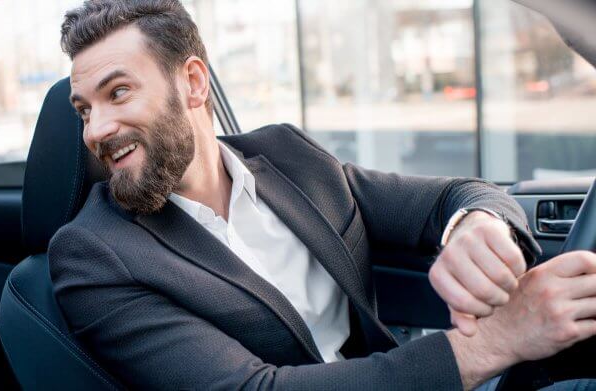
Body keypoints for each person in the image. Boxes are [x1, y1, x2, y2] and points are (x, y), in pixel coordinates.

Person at [48, 1, 596, 389]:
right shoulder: (93, 255)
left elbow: (453, 196)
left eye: (118, 92)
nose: (95, 130)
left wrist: (478, 226)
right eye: (85, 109)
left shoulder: (287, 154)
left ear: (192, 83)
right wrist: (495, 343)